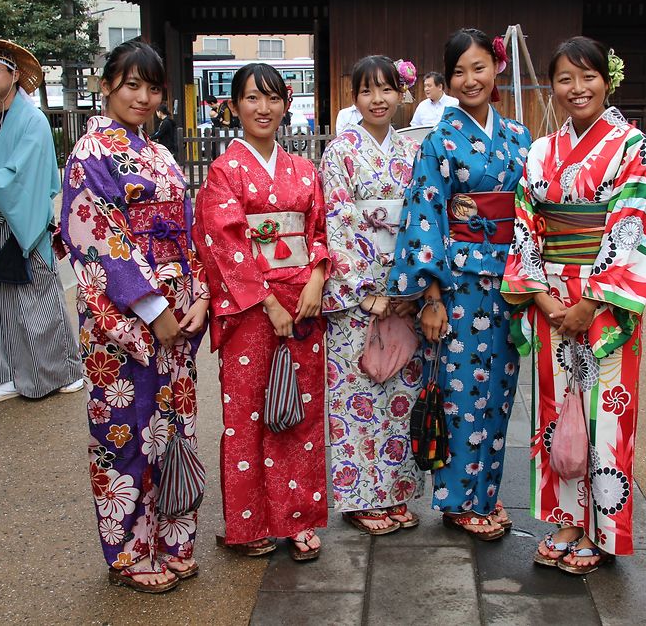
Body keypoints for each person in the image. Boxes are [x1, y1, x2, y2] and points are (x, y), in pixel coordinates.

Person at [501, 36, 646, 574]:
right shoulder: (542, 151)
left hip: (602, 306)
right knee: (556, 412)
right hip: (550, 295)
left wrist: (592, 300)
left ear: (607, 80)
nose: (577, 88)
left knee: (606, 414)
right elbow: (528, 223)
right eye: (565, 79)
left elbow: (634, 225)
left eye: (587, 76)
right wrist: (544, 297)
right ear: (553, 86)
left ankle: (601, 529)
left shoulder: (631, 146)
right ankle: (566, 519)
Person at [61, 40, 209, 593]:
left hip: (177, 305)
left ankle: (172, 539)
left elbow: (186, 232)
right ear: (107, 87)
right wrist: (152, 309)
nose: (143, 97)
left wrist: (198, 298)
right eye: (131, 85)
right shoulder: (88, 154)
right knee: (125, 432)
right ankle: (128, 550)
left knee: (174, 429)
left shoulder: (163, 156)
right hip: (124, 315)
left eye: (152, 88)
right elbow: (96, 238)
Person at [388, 28, 531, 540]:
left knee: (500, 389)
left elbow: (531, 212)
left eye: (479, 68)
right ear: (446, 80)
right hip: (458, 283)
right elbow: (425, 213)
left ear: (497, 70)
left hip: (510, 281)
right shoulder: (439, 139)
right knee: (460, 392)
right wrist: (430, 295)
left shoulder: (518, 136)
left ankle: (485, 494)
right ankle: (457, 500)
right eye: (458, 71)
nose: (469, 79)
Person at [194, 63, 329, 562]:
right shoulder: (225, 171)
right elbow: (223, 242)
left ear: (286, 104)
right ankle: (249, 523)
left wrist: (316, 276)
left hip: (305, 303)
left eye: (273, 98)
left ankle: (298, 517)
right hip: (251, 307)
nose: (263, 108)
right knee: (248, 414)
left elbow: (317, 231)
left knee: (301, 411)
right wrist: (267, 301)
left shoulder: (304, 170)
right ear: (233, 106)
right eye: (252, 98)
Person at [0, 38, 83, 406]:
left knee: (35, 303)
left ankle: (64, 371)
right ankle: (11, 375)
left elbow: (20, 173)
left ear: (15, 74)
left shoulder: (33, 121)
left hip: (26, 227)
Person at [321, 56, 424, 535]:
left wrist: (412, 286)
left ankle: (397, 490)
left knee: (402, 390)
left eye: (386, 89)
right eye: (366, 91)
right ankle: (361, 496)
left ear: (402, 93)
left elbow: (425, 219)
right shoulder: (339, 153)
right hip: (358, 294)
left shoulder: (414, 152)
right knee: (358, 390)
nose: (378, 99)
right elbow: (337, 222)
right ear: (354, 97)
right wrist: (364, 292)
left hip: (403, 294)